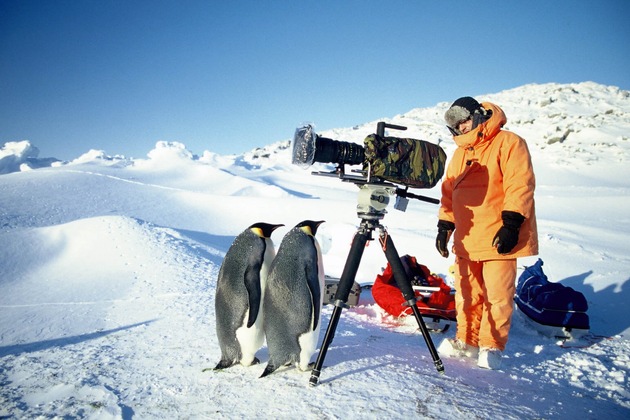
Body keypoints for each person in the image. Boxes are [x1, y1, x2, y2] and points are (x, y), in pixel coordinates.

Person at [435, 96, 538, 369]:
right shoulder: (460, 153)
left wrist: (512, 224)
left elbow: (520, 184)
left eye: (465, 121)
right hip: (468, 236)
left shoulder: (509, 143)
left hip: (499, 233)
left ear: (479, 115)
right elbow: (449, 191)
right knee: (467, 293)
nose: (462, 128)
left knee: (498, 295)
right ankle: (466, 340)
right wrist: (445, 224)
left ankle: (492, 346)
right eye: (456, 126)